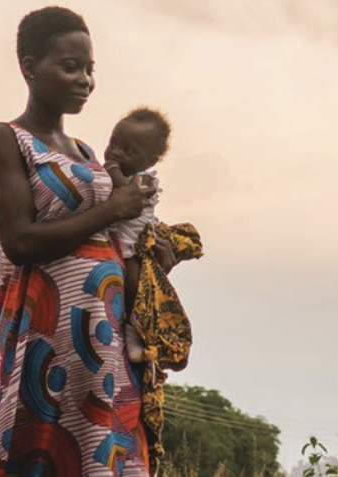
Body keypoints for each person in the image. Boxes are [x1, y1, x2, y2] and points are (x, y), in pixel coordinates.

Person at [0, 6, 158, 476]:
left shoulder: (86, 152)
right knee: (45, 450)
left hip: (104, 333)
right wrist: (112, 209)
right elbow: (19, 241)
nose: (85, 80)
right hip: (48, 331)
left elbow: (112, 234)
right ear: (29, 66)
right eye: (71, 66)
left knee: (101, 453)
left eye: (90, 69)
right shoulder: (7, 140)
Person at [103, 107, 204, 471]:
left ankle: (135, 329)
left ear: (150, 160)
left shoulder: (141, 181)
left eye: (128, 150)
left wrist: (111, 169)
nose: (116, 153)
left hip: (131, 245)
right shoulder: (119, 171)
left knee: (134, 282)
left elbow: (116, 192)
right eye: (114, 143)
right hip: (124, 240)